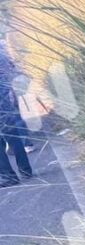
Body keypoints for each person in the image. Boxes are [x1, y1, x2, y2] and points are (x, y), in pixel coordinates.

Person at [0, 50, 31, 187]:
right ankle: (25, 170)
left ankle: (8, 176)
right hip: (3, 100)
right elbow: (8, 70)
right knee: (13, 137)